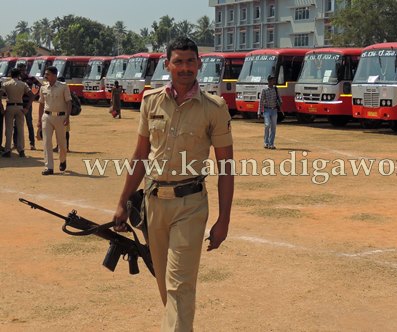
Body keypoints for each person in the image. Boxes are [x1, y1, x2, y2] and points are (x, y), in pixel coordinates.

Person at [112, 37, 234, 331]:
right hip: (154, 205)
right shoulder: (150, 101)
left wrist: (224, 221)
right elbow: (140, 156)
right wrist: (122, 202)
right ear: (167, 64)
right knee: (165, 283)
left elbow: (226, 167)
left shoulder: (214, 108)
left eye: (190, 61)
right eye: (178, 61)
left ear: (199, 64)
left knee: (179, 285)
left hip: (190, 206)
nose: (184, 67)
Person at [37, 66, 71, 175]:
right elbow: (41, 104)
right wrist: (39, 120)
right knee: (47, 142)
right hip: (47, 117)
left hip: (61, 117)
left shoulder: (63, 87)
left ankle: (62, 160)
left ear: (55, 75)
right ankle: (49, 167)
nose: (46, 76)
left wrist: (67, 117)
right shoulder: (43, 87)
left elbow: (69, 102)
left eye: (48, 74)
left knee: (62, 143)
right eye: (46, 74)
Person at [2, 68, 34, 158]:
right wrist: (27, 108)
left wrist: (1, 107)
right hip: (20, 107)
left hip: (10, 106)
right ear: (19, 75)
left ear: (11, 75)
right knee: (20, 129)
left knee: (9, 129)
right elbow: (32, 95)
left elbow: (0, 94)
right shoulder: (23, 84)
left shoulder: (6, 84)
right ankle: (21, 150)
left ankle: (7, 149)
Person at [17, 62, 41, 150]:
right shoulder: (16, 79)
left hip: (27, 104)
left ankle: (32, 144)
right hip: (18, 103)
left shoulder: (31, 78)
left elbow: (39, 85)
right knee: (16, 124)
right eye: (20, 70)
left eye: (23, 69)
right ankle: (15, 143)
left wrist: (34, 95)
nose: (22, 72)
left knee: (29, 123)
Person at [258, 74, 282, 149]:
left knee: (273, 127)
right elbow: (261, 101)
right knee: (267, 125)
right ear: (269, 81)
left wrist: (280, 102)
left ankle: (271, 143)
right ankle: (266, 142)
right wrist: (259, 112)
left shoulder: (276, 89)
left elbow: (279, 98)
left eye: (274, 80)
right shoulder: (264, 90)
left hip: (274, 110)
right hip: (267, 110)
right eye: (271, 80)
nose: (273, 81)